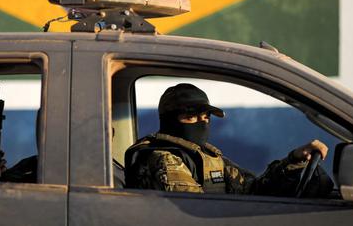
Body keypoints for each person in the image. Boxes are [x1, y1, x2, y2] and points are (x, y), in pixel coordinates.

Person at [125, 83, 334, 197]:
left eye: (205, 117)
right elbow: (196, 212)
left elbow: (253, 189)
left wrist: (294, 159)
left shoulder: (206, 154)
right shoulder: (163, 158)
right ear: (170, 120)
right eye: (191, 117)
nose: (202, 123)